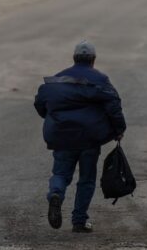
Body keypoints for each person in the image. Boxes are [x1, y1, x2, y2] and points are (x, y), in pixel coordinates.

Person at [34, 41, 126, 233]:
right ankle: (79, 221)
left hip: (62, 137)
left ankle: (56, 195)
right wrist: (119, 129)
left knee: (60, 174)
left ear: (74, 58)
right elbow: (113, 105)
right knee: (86, 179)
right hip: (89, 139)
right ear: (93, 59)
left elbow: (41, 103)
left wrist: (54, 119)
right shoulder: (100, 80)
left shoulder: (57, 79)